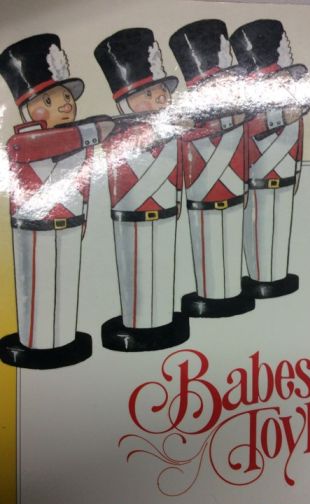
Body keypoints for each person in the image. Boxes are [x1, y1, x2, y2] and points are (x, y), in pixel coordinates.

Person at [0, 33, 114, 369]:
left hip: (71, 224)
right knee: (38, 293)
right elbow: (39, 146)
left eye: (66, 96)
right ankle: (36, 345)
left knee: (64, 291)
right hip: (34, 230)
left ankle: (63, 342)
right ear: (26, 108)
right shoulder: (22, 141)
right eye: (49, 100)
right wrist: (91, 131)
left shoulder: (76, 137)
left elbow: (83, 182)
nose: (65, 104)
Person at [94, 28, 190, 351]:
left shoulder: (169, 127)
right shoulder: (118, 133)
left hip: (165, 212)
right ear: (125, 101)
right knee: (136, 276)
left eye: (162, 90)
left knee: (162, 273)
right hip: (131, 216)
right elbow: (131, 150)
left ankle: (161, 322)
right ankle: (137, 325)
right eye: (149, 93)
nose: (160, 97)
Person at [170, 19, 255, 318]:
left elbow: (245, 152)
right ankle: (211, 295)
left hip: (234, 192)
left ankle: (231, 292)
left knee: (231, 252)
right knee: (208, 255)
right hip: (203, 196)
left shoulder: (239, 117)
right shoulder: (189, 123)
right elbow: (187, 140)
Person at [230, 20, 306, 299]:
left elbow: (296, 144)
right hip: (257, 181)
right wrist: (279, 118)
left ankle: (277, 275)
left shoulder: (291, 106)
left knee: (280, 230)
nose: (286, 83)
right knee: (259, 232)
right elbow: (248, 131)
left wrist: (296, 172)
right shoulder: (249, 111)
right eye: (278, 78)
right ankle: (260, 278)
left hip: (284, 178)